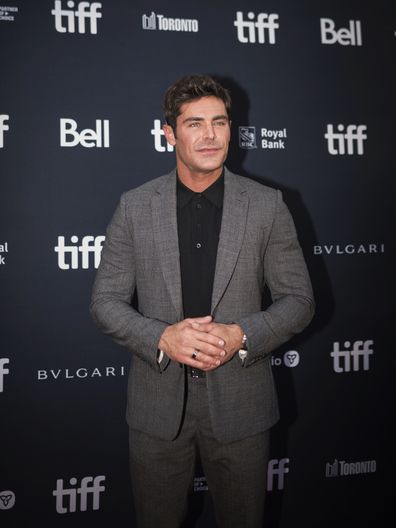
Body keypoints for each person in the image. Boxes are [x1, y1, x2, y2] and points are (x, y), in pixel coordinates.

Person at [90, 74, 314, 527]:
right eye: (194, 124)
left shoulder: (268, 205)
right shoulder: (134, 207)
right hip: (157, 407)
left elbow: (298, 300)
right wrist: (162, 337)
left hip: (241, 405)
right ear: (169, 133)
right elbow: (106, 302)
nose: (210, 135)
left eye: (220, 122)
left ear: (232, 129)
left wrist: (240, 334)